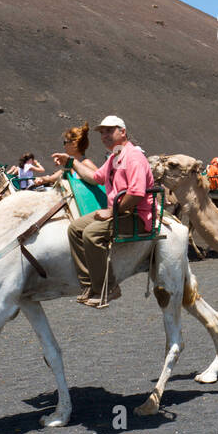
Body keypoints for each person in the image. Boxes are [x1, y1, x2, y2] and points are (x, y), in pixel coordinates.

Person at [52, 115, 156, 308]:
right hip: (119, 211)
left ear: (122, 132)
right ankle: (89, 285)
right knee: (75, 228)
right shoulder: (115, 157)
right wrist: (71, 162)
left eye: (109, 131)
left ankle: (108, 288)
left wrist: (112, 212)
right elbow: (94, 177)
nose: (104, 135)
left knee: (91, 234)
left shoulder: (133, 157)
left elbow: (136, 194)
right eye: (102, 132)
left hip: (135, 215)